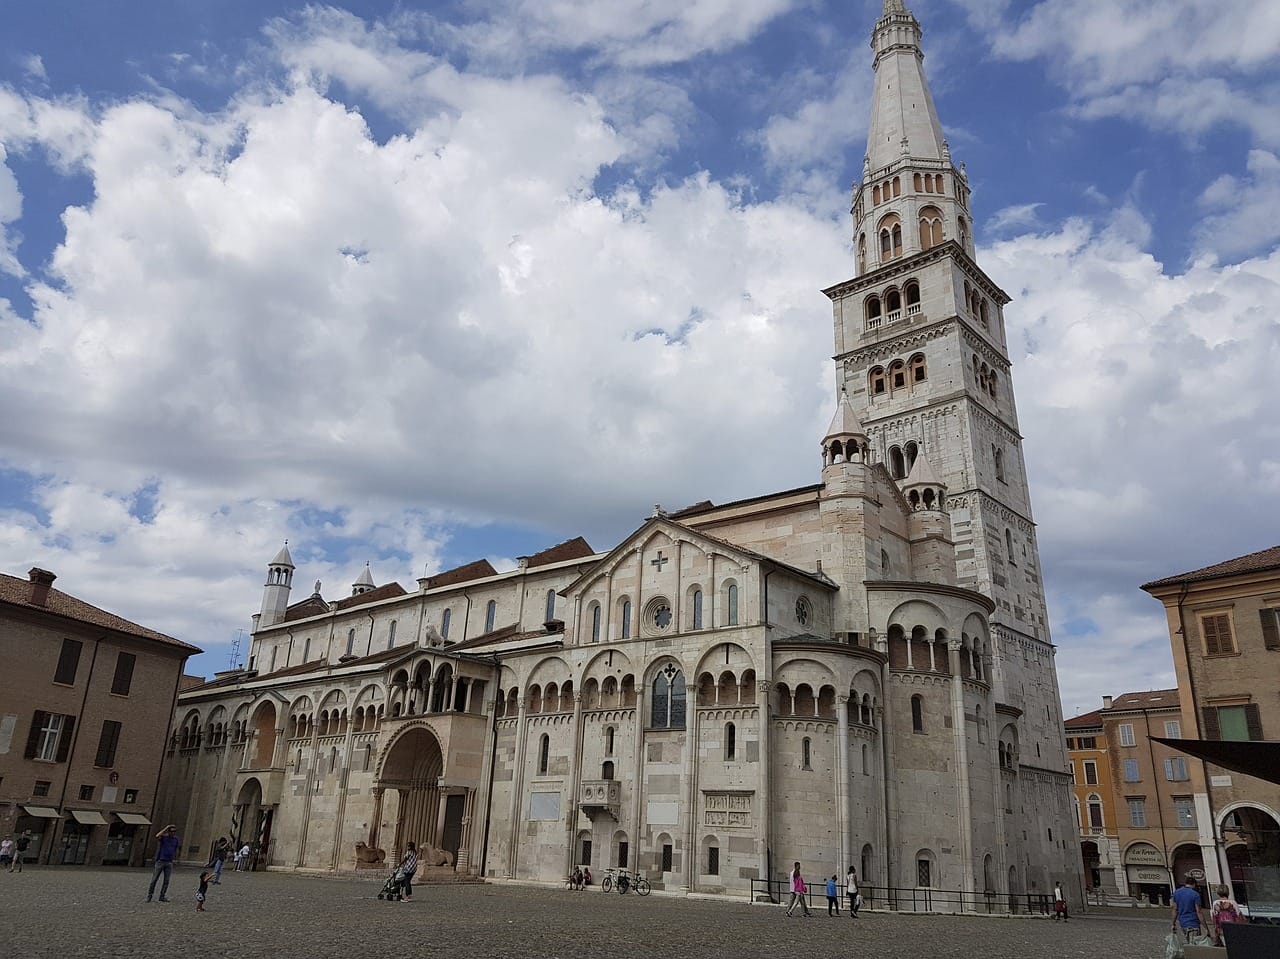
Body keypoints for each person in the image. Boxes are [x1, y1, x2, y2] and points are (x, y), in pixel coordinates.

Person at [147, 825, 181, 902]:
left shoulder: (176, 839)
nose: (173, 833)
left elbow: (176, 848)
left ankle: (162, 896)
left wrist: (177, 858)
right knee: (154, 880)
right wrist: (166, 828)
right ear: (168, 831)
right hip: (160, 861)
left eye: (174, 831)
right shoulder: (164, 837)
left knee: (166, 881)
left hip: (169, 862)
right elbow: (157, 835)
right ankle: (149, 895)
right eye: (171, 831)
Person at [1171, 875, 1208, 941]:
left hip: (1183, 922)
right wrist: (1205, 927)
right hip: (1194, 922)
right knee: (1196, 944)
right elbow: (1199, 911)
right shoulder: (1195, 894)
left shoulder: (1177, 893)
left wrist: (1173, 923)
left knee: (1188, 942)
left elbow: (1174, 909)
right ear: (1194, 884)